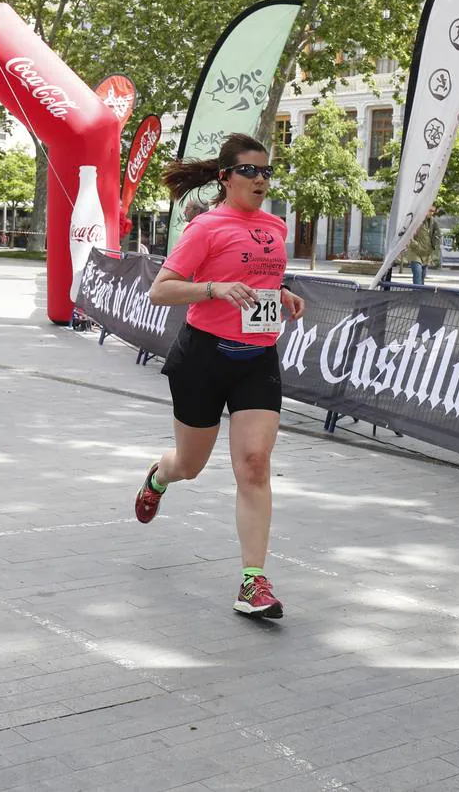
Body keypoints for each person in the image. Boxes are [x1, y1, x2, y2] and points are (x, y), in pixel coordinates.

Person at [137, 133, 305, 619]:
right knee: (190, 465)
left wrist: (285, 294)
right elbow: (161, 291)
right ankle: (158, 475)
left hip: (257, 358)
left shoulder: (274, 226)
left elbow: (262, 281)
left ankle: (253, 582)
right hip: (203, 359)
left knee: (254, 464)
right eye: (250, 171)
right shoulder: (206, 227)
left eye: (266, 172)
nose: (260, 180)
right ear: (226, 177)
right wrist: (213, 289)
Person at [403, 207, 442, 285]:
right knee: (417, 274)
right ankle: (416, 295)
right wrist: (414, 244)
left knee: (422, 277)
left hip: (426, 253)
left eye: (433, 211)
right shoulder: (415, 220)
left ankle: (420, 295)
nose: (432, 213)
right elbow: (407, 233)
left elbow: (438, 235)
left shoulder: (432, 222)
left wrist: (433, 246)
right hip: (415, 252)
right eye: (430, 211)